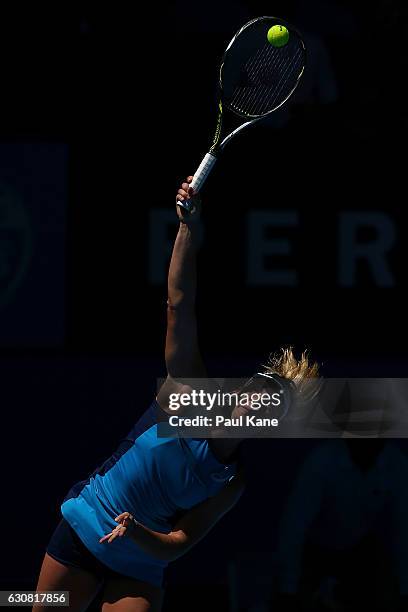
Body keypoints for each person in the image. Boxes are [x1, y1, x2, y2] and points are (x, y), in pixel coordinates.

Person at [34, 178, 319, 611]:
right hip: (88, 523)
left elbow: (180, 541)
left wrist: (138, 533)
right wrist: (188, 226)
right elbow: (178, 303)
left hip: (140, 560)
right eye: (257, 395)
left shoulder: (231, 482)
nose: (256, 406)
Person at [273, 438, 408, 611]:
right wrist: (288, 589)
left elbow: (404, 531)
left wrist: (405, 590)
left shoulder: (397, 464)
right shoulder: (321, 461)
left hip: (360, 554)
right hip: (313, 554)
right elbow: (294, 528)